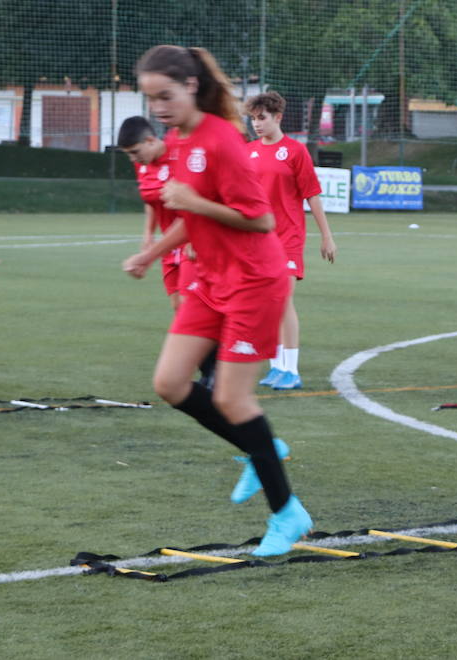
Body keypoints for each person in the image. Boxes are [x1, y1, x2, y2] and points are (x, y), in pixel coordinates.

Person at [121, 45, 311, 557]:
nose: (158, 107)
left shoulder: (222, 139)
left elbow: (260, 219)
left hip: (254, 280)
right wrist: (150, 254)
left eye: (165, 96)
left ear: (190, 87)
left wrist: (195, 202)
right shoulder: (178, 141)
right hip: (210, 278)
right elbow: (190, 218)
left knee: (231, 400)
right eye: (149, 99)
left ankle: (286, 513)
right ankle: (258, 448)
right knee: (169, 382)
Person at [246, 92, 336, 391]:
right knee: (265, 305)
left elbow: (312, 194)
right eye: (253, 119)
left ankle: (292, 370)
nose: (257, 124)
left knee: (282, 300)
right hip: (258, 240)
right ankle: (276, 368)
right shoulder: (248, 152)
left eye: (262, 118)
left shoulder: (295, 151)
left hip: (288, 238)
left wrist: (326, 235)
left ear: (278, 117)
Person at [116, 116, 216, 386]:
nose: (134, 160)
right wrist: (147, 235)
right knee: (178, 307)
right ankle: (210, 369)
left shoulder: (179, 157)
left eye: (135, 152)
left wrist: (196, 237)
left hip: (192, 241)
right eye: (129, 156)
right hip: (167, 244)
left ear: (151, 140)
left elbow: (199, 199)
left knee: (190, 307)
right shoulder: (143, 166)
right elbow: (151, 201)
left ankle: (215, 373)